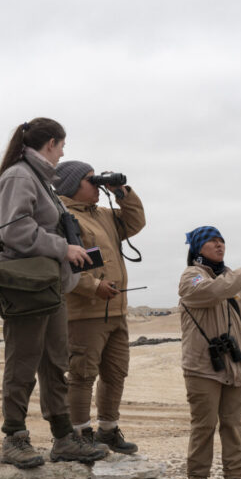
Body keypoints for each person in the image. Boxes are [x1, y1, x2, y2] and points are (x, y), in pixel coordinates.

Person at [0, 119, 107, 467]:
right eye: (62, 146)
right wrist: (63, 248)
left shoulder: (39, 179)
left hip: (49, 286)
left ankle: (62, 438)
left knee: (55, 362)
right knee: (23, 362)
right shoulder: (19, 177)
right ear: (51, 143)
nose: (64, 153)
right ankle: (14, 438)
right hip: (27, 287)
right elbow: (16, 229)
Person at [55, 161, 146, 454]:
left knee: (115, 372)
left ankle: (108, 431)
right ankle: (80, 435)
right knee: (82, 375)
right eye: (91, 180)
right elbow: (63, 266)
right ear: (72, 185)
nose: (97, 185)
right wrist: (94, 286)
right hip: (86, 312)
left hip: (117, 309)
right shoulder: (61, 217)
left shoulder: (103, 214)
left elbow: (135, 223)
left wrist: (121, 192)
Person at [178, 227, 241, 479]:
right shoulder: (191, 278)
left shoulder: (236, 284)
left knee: (233, 424)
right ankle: (198, 477)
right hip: (202, 367)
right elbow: (212, 291)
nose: (219, 245)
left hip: (237, 366)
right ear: (197, 248)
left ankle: (235, 477)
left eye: (221, 241)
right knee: (203, 425)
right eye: (212, 241)